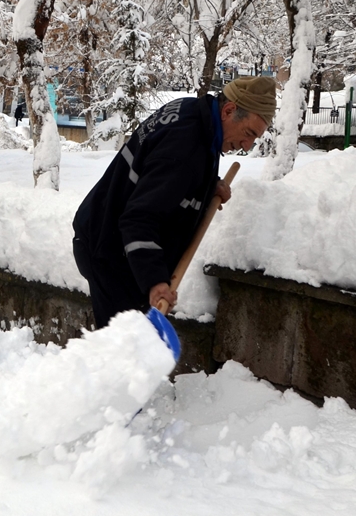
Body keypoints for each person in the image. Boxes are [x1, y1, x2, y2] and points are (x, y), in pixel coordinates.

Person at [72, 76, 277, 329]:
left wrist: (207, 184)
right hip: (110, 251)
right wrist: (155, 282)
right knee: (123, 354)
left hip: (112, 238)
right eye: (248, 134)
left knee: (132, 349)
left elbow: (163, 173)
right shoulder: (186, 145)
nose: (248, 146)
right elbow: (139, 218)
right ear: (229, 110)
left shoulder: (195, 115)